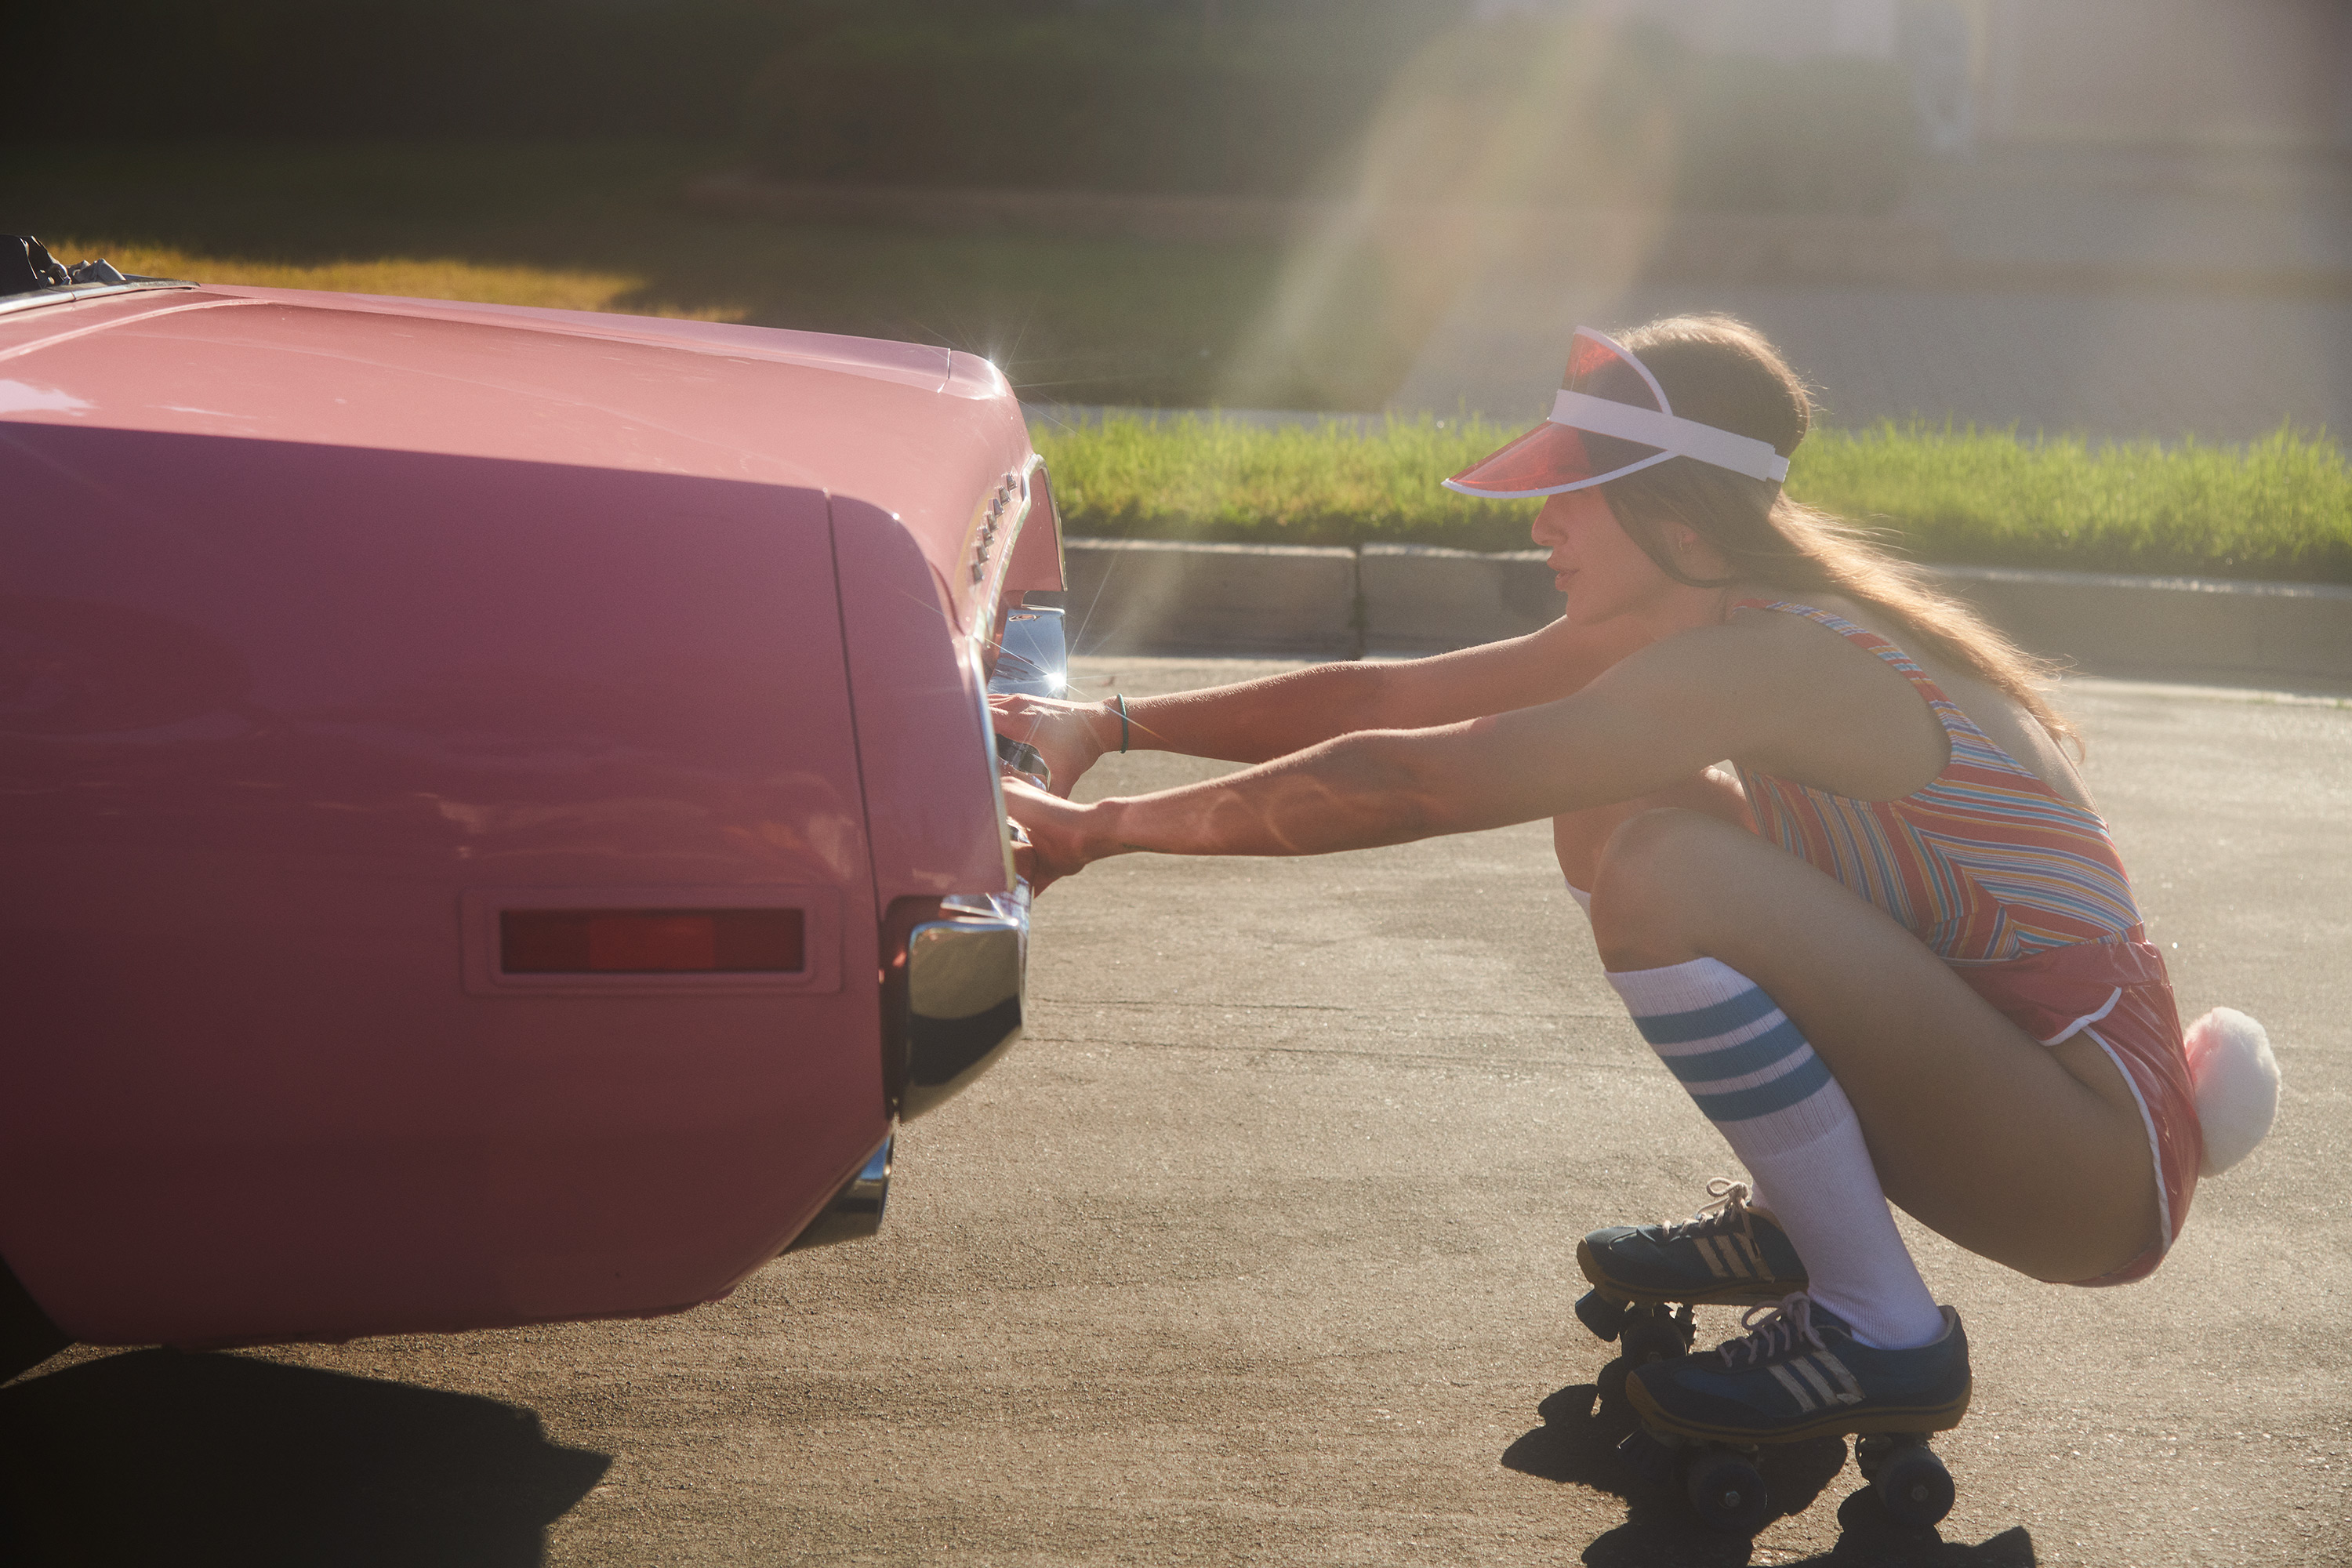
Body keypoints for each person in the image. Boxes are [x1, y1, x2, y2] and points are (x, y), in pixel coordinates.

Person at [991, 315, 2270, 1453]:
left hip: (2094, 1160)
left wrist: (1101, 838)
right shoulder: (1715, 606)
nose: (1539, 519)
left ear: (1674, 519)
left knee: (1664, 869)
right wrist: (1109, 727)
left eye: (1571, 492)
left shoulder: (1775, 659)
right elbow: (1393, 699)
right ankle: (1798, 1225)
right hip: (2034, 1090)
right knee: (1614, 805)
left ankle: (1882, 1327)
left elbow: (1421, 783)